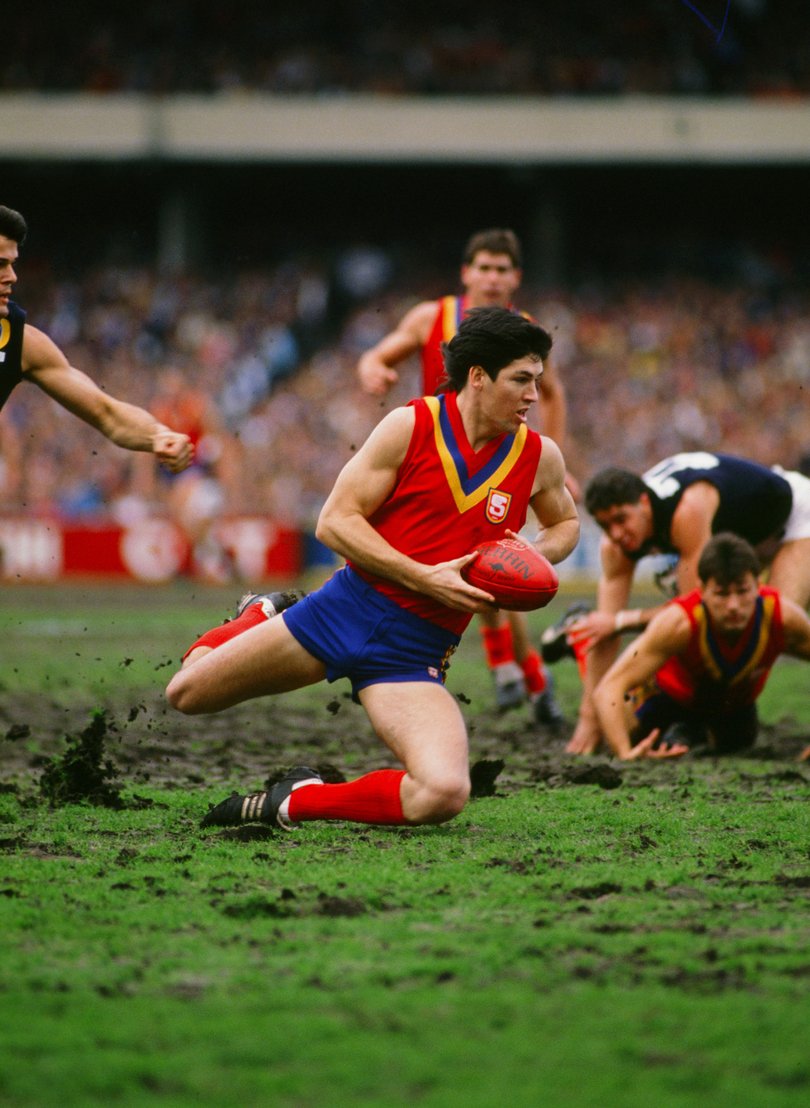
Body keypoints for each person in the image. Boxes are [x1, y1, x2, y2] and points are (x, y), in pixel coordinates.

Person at [168, 307, 579, 831]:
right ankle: (261, 613)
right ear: (478, 376)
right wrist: (422, 575)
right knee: (185, 693)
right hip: (342, 611)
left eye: (538, 381)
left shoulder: (540, 457)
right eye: (522, 380)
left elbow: (565, 524)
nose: (533, 396)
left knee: (444, 792)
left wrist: (534, 552)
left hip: (414, 655)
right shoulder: (410, 425)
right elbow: (334, 523)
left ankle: (293, 802)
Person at [357, 227, 572, 726]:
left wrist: (559, 463)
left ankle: (510, 674)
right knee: (478, 564)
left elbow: (554, 393)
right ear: (466, 273)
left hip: (498, 457)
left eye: (502, 270)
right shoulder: (431, 317)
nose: (493, 278)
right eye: (485, 268)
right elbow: (378, 353)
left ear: (515, 278)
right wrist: (372, 367)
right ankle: (530, 679)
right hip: (433, 455)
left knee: (494, 559)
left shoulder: (525, 332)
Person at [563, 450, 810, 755]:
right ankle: (702, 720)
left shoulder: (687, 512)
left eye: (620, 519)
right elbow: (602, 632)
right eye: (605, 526)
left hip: (794, 517)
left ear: (643, 503)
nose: (616, 534)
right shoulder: (616, 543)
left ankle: (697, 720)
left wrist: (620, 621)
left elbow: (697, 613)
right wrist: (589, 719)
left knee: (764, 622)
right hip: (746, 530)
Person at [0, 205, 192, 473]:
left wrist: (158, 435)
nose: (12, 276)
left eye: (12, 264)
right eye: (0, 264)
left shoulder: (21, 344)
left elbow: (107, 413)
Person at [592, 533, 810, 760]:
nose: (733, 606)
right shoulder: (680, 622)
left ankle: (693, 734)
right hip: (669, 700)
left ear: (757, 584)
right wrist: (625, 752)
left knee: (739, 745)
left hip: (732, 707)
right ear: (702, 589)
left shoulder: (781, 617)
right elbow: (609, 689)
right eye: (721, 594)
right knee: (628, 729)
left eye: (743, 591)